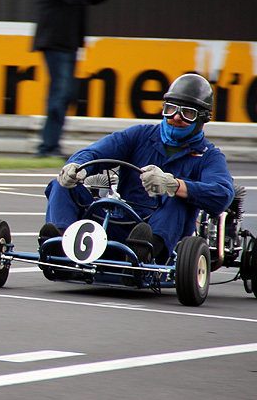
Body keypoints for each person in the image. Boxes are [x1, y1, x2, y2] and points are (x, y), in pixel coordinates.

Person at [40, 73, 234, 264]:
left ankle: (143, 253)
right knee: (61, 185)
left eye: (187, 113)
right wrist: (77, 167)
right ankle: (60, 246)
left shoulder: (208, 155)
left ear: (202, 118)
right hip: (118, 221)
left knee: (176, 201)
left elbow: (223, 194)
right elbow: (95, 152)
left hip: (165, 233)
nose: (176, 117)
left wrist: (175, 185)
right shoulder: (139, 135)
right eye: (171, 109)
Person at [33, 0, 126, 158]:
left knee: (66, 94)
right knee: (60, 93)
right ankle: (47, 148)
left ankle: (51, 145)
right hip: (56, 42)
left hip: (69, 43)